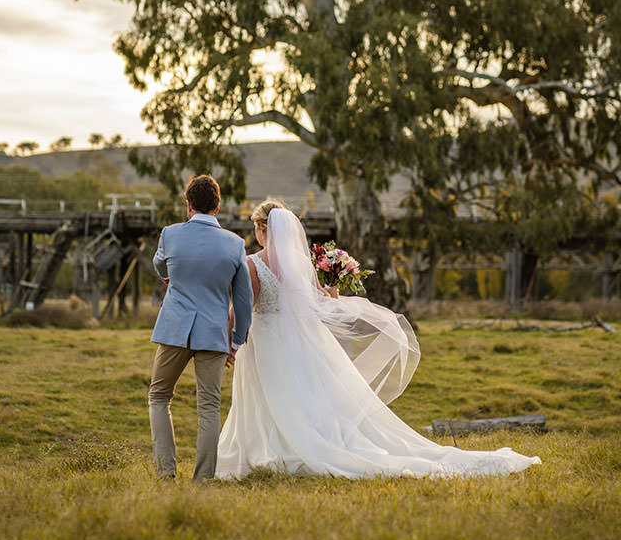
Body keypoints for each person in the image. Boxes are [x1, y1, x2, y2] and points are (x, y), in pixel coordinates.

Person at [216, 202, 541, 480]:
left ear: (261, 229)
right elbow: (320, 303)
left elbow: (242, 307)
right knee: (304, 394)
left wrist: (231, 341)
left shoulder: (253, 264)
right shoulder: (302, 265)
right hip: (302, 339)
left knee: (271, 395)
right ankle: (302, 443)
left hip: (268, 341)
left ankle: (277, 448)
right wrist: (334, 291)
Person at [149, 174, 253, 481]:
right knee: (209, 407)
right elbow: (243, 300)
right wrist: (236, 340)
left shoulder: (169, 234)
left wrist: (170, 278)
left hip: (174, 329)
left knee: (159, 397)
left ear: (188, 204)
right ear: (218, 206)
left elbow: (158, 264)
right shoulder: (236, 245)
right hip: (214, 334)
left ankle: (165, 474)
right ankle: (203, 479)